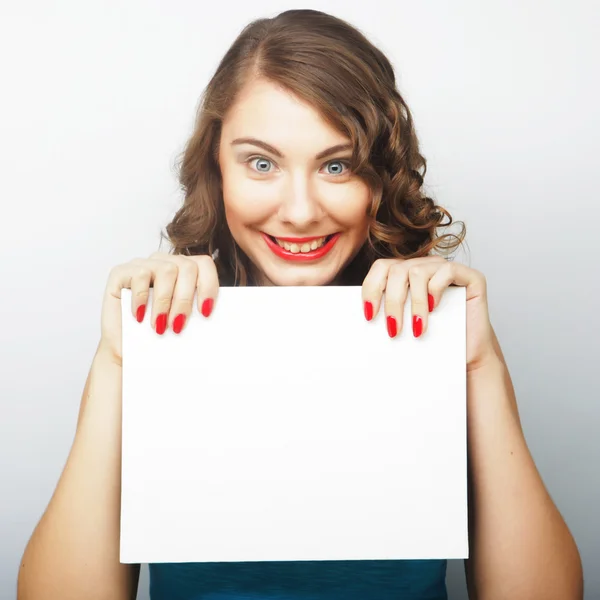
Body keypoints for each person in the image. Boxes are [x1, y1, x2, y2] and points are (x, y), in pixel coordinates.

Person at [17, 8, 583, 600]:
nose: (300, 211)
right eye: (261, 163)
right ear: (217, 166)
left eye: (337, 165)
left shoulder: (433, 338)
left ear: (379, 177)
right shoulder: (161, 338)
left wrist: (478, 364)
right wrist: (118, 361)